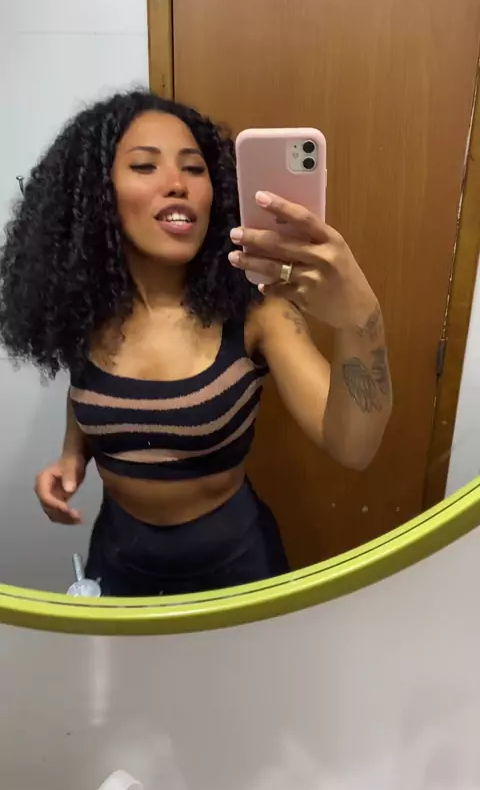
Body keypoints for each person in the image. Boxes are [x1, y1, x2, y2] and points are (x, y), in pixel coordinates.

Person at [0, 90, 392, 597]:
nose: (177, 184)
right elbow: (93, 394)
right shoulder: (85, 309)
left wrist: (361, 319)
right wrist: (72, 458)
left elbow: (354, 447)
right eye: (145, 166)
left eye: (194, 168)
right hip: (118, 561)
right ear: (98, 192)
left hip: (234, 570)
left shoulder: (257, 313)